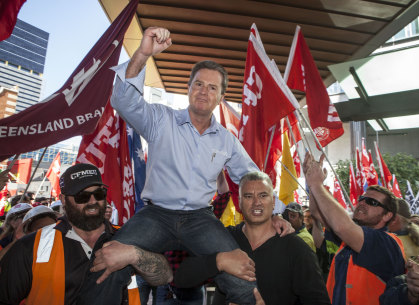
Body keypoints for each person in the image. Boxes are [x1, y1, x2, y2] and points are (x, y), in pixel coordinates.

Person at [78, 27, 289, 305]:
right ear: (188, 88)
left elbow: (251, 178)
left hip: (200, 219)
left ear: (221, 97)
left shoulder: (227, 140)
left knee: (242, 274)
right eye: (198, 84)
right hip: (155, 216)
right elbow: (123, 100)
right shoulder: (160, 120)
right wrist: (143, 54)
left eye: (212, 87)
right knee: (105, 259)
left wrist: (275, 213)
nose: (204, 91)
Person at [0, 163, 172, 305]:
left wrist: (135, 255)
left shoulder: (128, 237)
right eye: (82, 196)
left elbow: (165, 276)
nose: (92, 201)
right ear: (63, 200)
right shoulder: (32, 246)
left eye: (99, 194)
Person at [173, 172, 331, 305]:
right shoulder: (223, 237)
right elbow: (180, 277)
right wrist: (218, 261)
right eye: (248, 196)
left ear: (273, 202)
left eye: (263, 195)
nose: (256, 203)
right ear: (239, 202)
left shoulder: (296, 249)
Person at [303, 152, 405, 305]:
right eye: (362, 199)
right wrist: (311, 182)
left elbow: (342, 226)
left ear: (387, 216)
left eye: (372, 202)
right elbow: (317, 213)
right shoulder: (350, 239)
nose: (363, 203)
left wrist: (317, 184)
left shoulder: (387, 243)